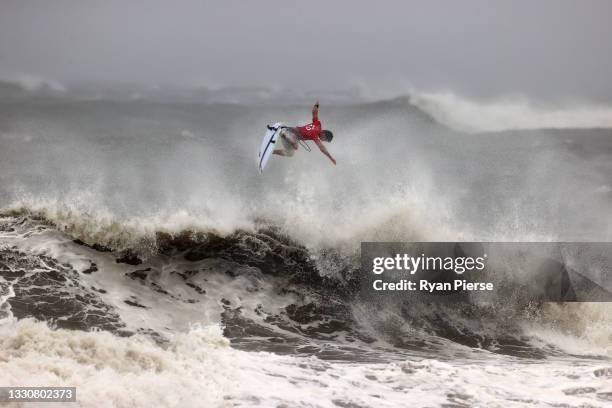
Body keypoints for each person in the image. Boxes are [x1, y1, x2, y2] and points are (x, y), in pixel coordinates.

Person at [273, 101, 336, 165]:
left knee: (290, 153)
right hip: (290, 135)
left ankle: (274, 149)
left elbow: (314, 112)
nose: (323, 140)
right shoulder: (315, 136)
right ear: (324, 134)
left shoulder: (317, 124)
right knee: (295, 147)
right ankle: (282, 135)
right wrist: (331, 158)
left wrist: (316, 105)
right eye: (324, 139)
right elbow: (322, 148)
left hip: (289, 129)